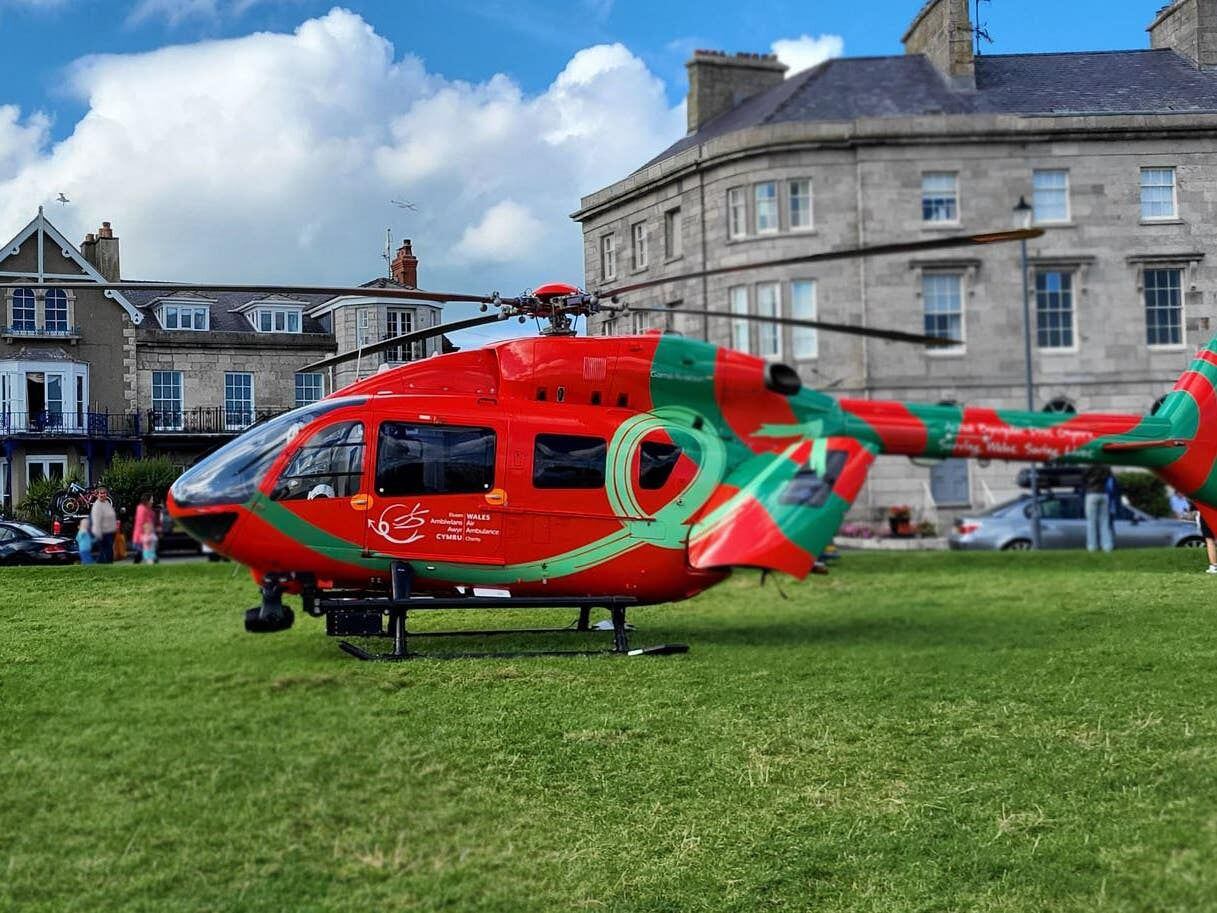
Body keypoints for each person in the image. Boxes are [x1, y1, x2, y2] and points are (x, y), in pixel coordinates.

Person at [1083, 464, 1114, 552]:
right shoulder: (1106, 467)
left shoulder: (1088, 466)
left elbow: (1083, 479)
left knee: (1091, 522)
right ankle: (1107, 546)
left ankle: (1092, 546)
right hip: (1104, 493)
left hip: (1091, 493)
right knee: (1104, 521)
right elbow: (1110, 476)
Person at [89, 486, 118, 564]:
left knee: (105, 551)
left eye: (104, 493)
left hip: (109, 531)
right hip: (102, 532)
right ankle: (108, 565)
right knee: (107, 550)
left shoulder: (107, 503)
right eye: (101, 493)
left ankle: (101, 565)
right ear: (97, 495)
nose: (103, 495)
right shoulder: (97, 505)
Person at [131, 493, 155, 564]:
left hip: (145, 536)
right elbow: (141, 523)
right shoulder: (142, 509)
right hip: (142, 537)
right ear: (147, 500)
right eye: (151, 500)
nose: (152, 501)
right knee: (144, 553)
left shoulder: (147, 509)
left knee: (142, 553)